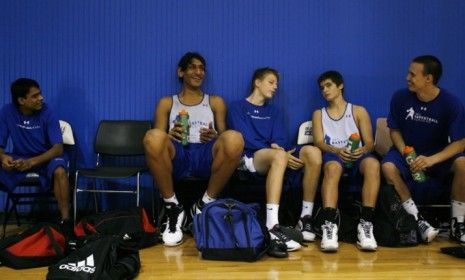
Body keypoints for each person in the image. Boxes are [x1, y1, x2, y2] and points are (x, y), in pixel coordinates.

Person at [143, 52, 244, 246]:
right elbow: (158, 139)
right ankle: (173, 207)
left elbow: (224, 137)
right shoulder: (167, 102)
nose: (198, 72)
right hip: (178, 154)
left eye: (201, 68)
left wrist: (215, 136)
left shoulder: (215, 101)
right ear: (181, 72)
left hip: (205, 154)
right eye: (192, 67)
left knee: (234, 138)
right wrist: (169, 134)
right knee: (153, 137)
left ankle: (204, 204)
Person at [227, 67, 322, 256]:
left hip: (274, 155)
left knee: (313, 152)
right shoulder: (237, 107)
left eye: (277, 83)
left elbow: (280, 141)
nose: (275, 87)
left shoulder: (275, 112)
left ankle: (305, 217)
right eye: (271, 82)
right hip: (250, 158)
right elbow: (243, 139)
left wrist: (281, 151)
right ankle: (272, 226)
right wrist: (280, 153)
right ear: (257, 82)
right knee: (278, 155)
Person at [382, 55, 465, 244]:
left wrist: (431, 160)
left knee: (463, 163)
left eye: (412, 74)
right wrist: (407, 153)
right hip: (406, 152)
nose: (407, 78)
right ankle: (417, 220)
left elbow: (460, 143)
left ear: (428, 78)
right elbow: (394, 131)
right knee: (387, 167)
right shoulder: (400, 97)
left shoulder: (452, 104)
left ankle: (458, 224)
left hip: (437, 155)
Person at [312, 70, 380, 252]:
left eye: (328, 85)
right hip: (334, 154)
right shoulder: (319, 113)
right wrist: (337, 150)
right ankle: (330, 226)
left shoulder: (358, 110)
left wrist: (362, 150)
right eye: (322, 88)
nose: (324, 90)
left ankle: (366, 225)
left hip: (357, 155)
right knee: (332, 168)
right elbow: (318, 141)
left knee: (373, 164)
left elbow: (370, 143)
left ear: (340, 85)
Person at [0, 78, 72, 233]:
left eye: (40, 94)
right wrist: (3, 158)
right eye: (35, 96)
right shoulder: (7, 112)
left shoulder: (48, 111)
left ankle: (66, 220)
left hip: (47, 157)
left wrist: (32, 162)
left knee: (60, 170)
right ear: (21, 100)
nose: (41, 98)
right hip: (21, 157)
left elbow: (58, 149)